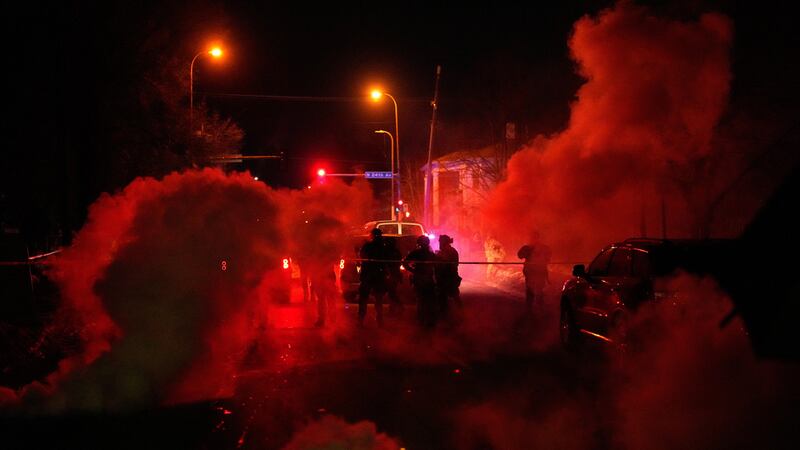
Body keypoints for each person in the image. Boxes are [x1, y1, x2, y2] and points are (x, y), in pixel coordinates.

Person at [403, 235, 438, 328]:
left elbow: (404, 262)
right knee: (428, 300)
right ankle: (427, 320)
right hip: (425, 279)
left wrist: (412, 270)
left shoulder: (416, 253)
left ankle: (421, 320)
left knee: (421, 300)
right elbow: (438, 264)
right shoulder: (429, 254)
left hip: (420, 279)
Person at [358, 228, 388, 327]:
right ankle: (379, 320)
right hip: (376, 275)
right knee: (377, 299)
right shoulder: (383, 247)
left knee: (365, 299)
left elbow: (361, 257)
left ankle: (362, 321)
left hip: (369, 275)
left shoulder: (368, 246)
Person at [518, 233, 551, 312]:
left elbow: (548, 258)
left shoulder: (542, 248)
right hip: (532, 272)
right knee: (534, 289)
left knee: (535, 290)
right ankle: (533, 308)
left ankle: (534, 308)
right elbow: (520, 255)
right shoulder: (529, 248)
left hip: (537, 271)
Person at [435, 234, 461, 316]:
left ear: (444, 243)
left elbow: (449, 265)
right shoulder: (445, 251)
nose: (439, 244)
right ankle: (447, 313)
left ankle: (459, 313)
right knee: (445, 296)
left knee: (450, 295)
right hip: (445, 277)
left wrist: (438, 258)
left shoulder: (450, 251)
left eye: (441, 242)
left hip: (449, 277)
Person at [383, 236, 404, 315]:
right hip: (394, 274)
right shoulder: (396, 251)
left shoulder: (388, 251)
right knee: (391, 292)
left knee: (391, 292)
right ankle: (393, 309)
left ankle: (398, 307)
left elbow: (387, 263)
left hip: (391, 274)